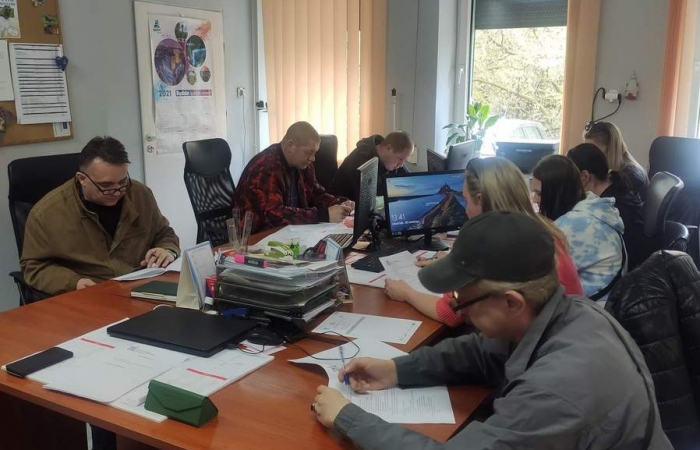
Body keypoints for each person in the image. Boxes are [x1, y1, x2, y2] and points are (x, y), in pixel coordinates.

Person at [312, 211, 672, 449]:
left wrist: (348, 418)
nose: (458, 310)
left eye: (462, 301)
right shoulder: (568, 313)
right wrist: (396, 369)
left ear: (512, 302)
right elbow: (481, 352)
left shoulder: (558, 389)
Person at [385, 157, 583, 326]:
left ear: (480, 200)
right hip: (571, 329)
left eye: (466, 200)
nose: (465, 210)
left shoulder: (496, 243)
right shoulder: (544, 230)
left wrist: (406, 292)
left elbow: (449, 313)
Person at [21, 136, 180, 296]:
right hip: (91, 292)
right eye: (106, 185)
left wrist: (167, 250)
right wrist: (73, 282)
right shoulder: (46, 213)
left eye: (122, 182)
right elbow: (33, 267)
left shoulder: (140, 194)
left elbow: (164, 233)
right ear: (82, 179)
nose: (117, 191)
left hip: (141, 286)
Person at [233, 121, 354, 233]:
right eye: (308, 152)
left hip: (289, 232)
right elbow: (274, 215)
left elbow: (316, 194)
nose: (313, 158)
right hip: (256, 236)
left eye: (314, 153)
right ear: (290, 145)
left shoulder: (304, 165)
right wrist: (324, 215)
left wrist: (341, 203)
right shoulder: (266, 168)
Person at [532, 155, 624, 300]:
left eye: (540, 194)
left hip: (594, 306)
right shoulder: (593, 206)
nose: (535, 199)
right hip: (606, 300)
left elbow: (538, 277)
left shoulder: (574, 225)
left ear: (556, 194)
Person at [567, 143, 648, 270]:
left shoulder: (609, 210)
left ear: (585, 176)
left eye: (570, 178)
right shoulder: (618, 189)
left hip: (626, 270)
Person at [330, 132, 414, 201]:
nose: (401, 165)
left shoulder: (392, 162)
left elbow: (410, 184)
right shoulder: (361, 161)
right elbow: (367, 202)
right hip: (342, 207)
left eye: (404, 160)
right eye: (400, 159)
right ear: (389, 148)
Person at [584, 121, 648, 199]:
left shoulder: (631, 177)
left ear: (611, 150)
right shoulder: (615, 171)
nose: (589, 157)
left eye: (594, 152)